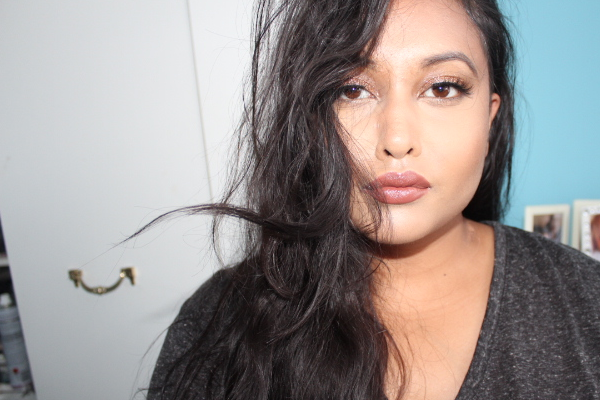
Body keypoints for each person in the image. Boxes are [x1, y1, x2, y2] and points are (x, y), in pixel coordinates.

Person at [145, 0, 600, 399]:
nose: (396, 139)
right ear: (310, 120)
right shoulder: (219, 321)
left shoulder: (586, 301)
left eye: (442, 88)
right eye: (352, 89)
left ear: (490, 119)